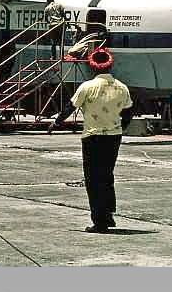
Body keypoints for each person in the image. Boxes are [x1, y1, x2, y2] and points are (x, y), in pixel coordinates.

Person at [49, 49, 132, 233]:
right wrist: (119, 128)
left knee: (93, 179)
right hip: (113, 137)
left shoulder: (87, 87)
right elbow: (128, 112)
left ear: (92, 67)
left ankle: (99, 221)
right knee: (107, 175)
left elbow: (70, 107)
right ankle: (108, 214)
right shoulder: (122, 87)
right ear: (110, 65)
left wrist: (56, 123)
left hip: (93, 137)